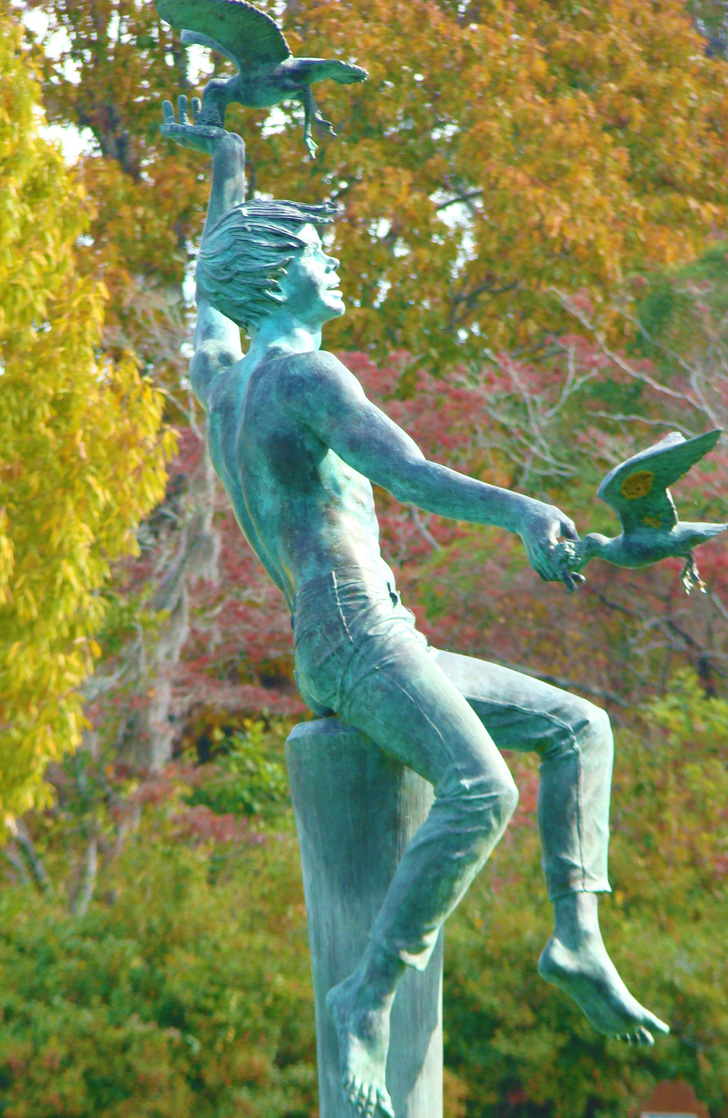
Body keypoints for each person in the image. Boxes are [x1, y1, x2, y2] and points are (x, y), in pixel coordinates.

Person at [162, 97, 669, 1118]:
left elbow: (205, 301)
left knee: (579, 724)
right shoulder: (305, 374)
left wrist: (228, 155)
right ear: (275, 275)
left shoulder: (226, 379)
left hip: (357, 634)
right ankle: (366, 998)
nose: (329, 258)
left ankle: (574, 933)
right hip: (355, 630)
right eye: (310, 245)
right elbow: (408, 468)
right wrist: (527, 511)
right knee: (482, 791)